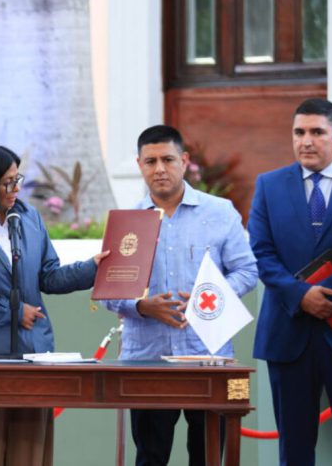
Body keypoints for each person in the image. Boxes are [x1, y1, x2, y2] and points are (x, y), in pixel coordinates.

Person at [0, 144, 108, 466]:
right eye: (7, 183)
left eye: (17, 180)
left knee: (31, 455)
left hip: (34, 355)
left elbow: (49, 277)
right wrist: (10, 312)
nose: (15, 189)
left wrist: (93, 269)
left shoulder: (28, 218)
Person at [101, 125, 258, 466]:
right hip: (146, 359)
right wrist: (142, 307)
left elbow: (247, 271)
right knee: (151, 456)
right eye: (150, 161)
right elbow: (108, 293)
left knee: (207, 455)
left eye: (168, 159)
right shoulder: (127, 223)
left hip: (207, 356)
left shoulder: (219, 212)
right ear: (139, 165)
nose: (159, 169)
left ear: (184, 161)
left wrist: (208, 298)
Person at [248, 98, 332, 465]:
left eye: (317, 132)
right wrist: (302, 295)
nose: (307, 141)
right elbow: (261, 252)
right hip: (288, 334)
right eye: (299, 132)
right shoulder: (269, 185)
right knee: (294, 449)